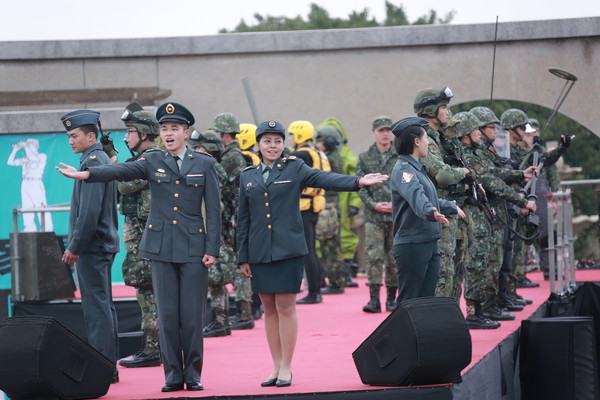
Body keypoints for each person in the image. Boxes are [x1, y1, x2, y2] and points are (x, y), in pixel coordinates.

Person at [57, 102, 221, 392]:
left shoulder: (204, 164)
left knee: (192, 317)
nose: (169, 133)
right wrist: (87, 174)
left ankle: (193, 374)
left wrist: (212, 249)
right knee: (167, 315)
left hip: (194, 248)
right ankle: (173, 375)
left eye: (174, 128)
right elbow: (121, 171)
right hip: (160, 248)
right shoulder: (153, 160)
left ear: (186, 132)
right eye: (164, 129)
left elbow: (214, 211)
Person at [237, 120, 388, 387]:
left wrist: (357, 181)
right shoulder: (248, 175)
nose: (272, 146)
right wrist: (243, 257)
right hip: (259, 251)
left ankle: (286, 366)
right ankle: (275, 365)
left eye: (277, 141)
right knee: (269, 309)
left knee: (285, 307)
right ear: (258, 145)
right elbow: (244, 219)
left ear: (284, 144)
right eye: (267, 141)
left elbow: (323, 179)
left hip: (288, 249)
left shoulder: (294, 167)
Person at [452, 111, 537, 328]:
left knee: (490, 261)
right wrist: (522, 201)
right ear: (466, 133)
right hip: (473, 212)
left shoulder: (475, 153)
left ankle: (486, 306)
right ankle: (475, 311)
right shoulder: (468, 155)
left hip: (484, 213)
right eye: (481, 129)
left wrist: (520, 174)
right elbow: (490, 180)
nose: (483, 133)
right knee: (478, 262)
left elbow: (493, 172)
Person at [59, 110, 120, 382]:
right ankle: (108, 366)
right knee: (103, 307)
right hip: (99, 245)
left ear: (91, 136)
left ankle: (101, 369)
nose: (70, 141)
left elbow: (89, 212)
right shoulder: (96, 160)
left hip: (93, 247)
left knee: (97, 310)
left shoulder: (94, 162)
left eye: (74, 136)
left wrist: (75, 246)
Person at [390, 117, 464, 303]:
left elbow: (428, 198)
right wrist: (430, 211)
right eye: (425, 139)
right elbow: (416, 196)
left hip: (428, 241)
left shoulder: (416, 168)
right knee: (409, 302)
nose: (427, 143)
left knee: (425, 301)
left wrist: (450, 206)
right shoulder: (404, 170)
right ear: (416, 142)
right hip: (413, 244)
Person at [413, 87, 472, 302]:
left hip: (450, 211)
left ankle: (450, 315)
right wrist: (465, 172)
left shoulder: (441, 138)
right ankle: (439, 317)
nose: (448, 112)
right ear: (431, 111)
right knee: (443, 273)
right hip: (438, 214)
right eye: (444, 107)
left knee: (456, 271)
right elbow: (443, 175)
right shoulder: (425, 139)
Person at [117, 104, 162, 367]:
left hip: (144, 236)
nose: (126, 137)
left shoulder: (147, 160)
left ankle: (152, 349)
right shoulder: (146, 159)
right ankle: (155, 347)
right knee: (148, 291)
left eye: (130, 131)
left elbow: (125, 184)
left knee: (146, 291)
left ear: (143, 133)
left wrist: (114, 163)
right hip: (145, 235)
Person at [187, 127, 235, 338]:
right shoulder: (215, 166)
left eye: (198, 147)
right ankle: (220, 321)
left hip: (214, 227)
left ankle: (220, 321)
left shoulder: (211, 166)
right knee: (216, 280)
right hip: (214, 226)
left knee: (215, 279)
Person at [210, 112, 256, 331]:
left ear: (225, 134)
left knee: (238, 266)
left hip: (232, 220)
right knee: (237, 264)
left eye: (217, 133)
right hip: (231, 218)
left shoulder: (231, 157)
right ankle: (243, 312)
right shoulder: (231, 155)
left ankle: (245, 313)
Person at [357, 116, 399, 313]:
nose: (385, 134)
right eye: (381, 130)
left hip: (396, 215)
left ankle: (392, 299)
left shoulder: (399, 156)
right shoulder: (365, 157)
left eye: (388, 130)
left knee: (394, 258)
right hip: (373, 217)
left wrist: (396, 204)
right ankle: (374, 300)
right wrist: (373, 204)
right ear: (373, 133)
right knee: (374, 256)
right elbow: (359, 186)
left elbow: (406, 182)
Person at [288, 120, 331, 304]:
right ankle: (317, 286)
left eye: (291, 135)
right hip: (313, 206)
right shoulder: (317, 152)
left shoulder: (301, 154)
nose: (290, 138)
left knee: (307, 251)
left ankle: (314, 292)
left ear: (299, 135)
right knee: (311, 249)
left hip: (304, 207)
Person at [314, 125, 346, 294]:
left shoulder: (330, 159)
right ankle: (332, 279)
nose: (317, 144)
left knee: (331, 245)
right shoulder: (331, 157)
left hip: (330, 204)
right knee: (327, 244)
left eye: (320, 141)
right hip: (329, 204)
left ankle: (335, 282)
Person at [7, 138, 54, 232]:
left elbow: (34, 160)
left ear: (36, 146)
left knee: (40, 206)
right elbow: (10, 162)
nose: (28, 146)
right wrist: (15, 150)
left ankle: (47, 228)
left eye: (30, 144)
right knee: (26, 206)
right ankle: (29, 227)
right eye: (28, 144)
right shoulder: (25, 159)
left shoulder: (41, 156)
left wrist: (25, 146)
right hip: (25, 183)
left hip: (35, 183)